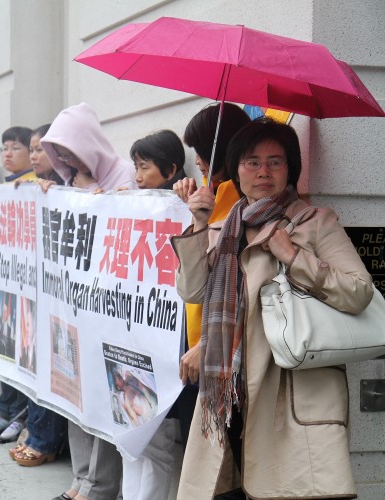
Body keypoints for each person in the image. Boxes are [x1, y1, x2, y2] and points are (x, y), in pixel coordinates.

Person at [171, 118, 372, 499]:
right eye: (252, 162)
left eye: (275, 162)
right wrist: (198, 223)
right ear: (236, 169)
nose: (264, 171)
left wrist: (294, 255)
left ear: (290, 169)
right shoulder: (224, 227)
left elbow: (359, 293)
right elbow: (193, 291)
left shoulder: (314, 222)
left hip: (288, 393)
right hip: (228, 396)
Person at [41, 103, 134, 500]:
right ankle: (80, 479)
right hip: (73, 307)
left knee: (102, 397)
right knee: (73, 393)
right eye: (58, 151)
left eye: (70, 148)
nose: (65, 158)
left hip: (107, 309)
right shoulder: (67, 183)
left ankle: (99, 485)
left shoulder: (124, 177)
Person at [172, 103, 251, 446]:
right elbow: (192, 286)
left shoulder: (243, 202)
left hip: (227, 354)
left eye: (199, 151)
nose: (197, 161)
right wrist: (196, 216)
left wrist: (208, 343)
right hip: (199, 340)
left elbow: (247, 290)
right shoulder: (212, 195)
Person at [119, 129, 186, 500]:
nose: (137, 175)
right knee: (128, 439)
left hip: (161, 346)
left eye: (144, 167)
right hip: (129, 343)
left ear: (171, 168)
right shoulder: (134, 205)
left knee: (156, 445)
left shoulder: (181, 210)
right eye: (135, 166)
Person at [8, 124, 68, 468]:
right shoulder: (31, 186)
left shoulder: (64, 189)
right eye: (31, 149)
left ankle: (46, 440)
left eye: (40, 149)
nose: (33, 155)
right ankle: (36, 433)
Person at [0, 125, 35, 440]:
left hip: (27, 287)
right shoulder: (2, 187)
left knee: (23, 355)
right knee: (3, 348)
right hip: (5, 282)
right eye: (5, 148)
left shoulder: (39, 187)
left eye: (15, 147)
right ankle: (4, 410)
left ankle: (19, 416)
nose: (8, 154)